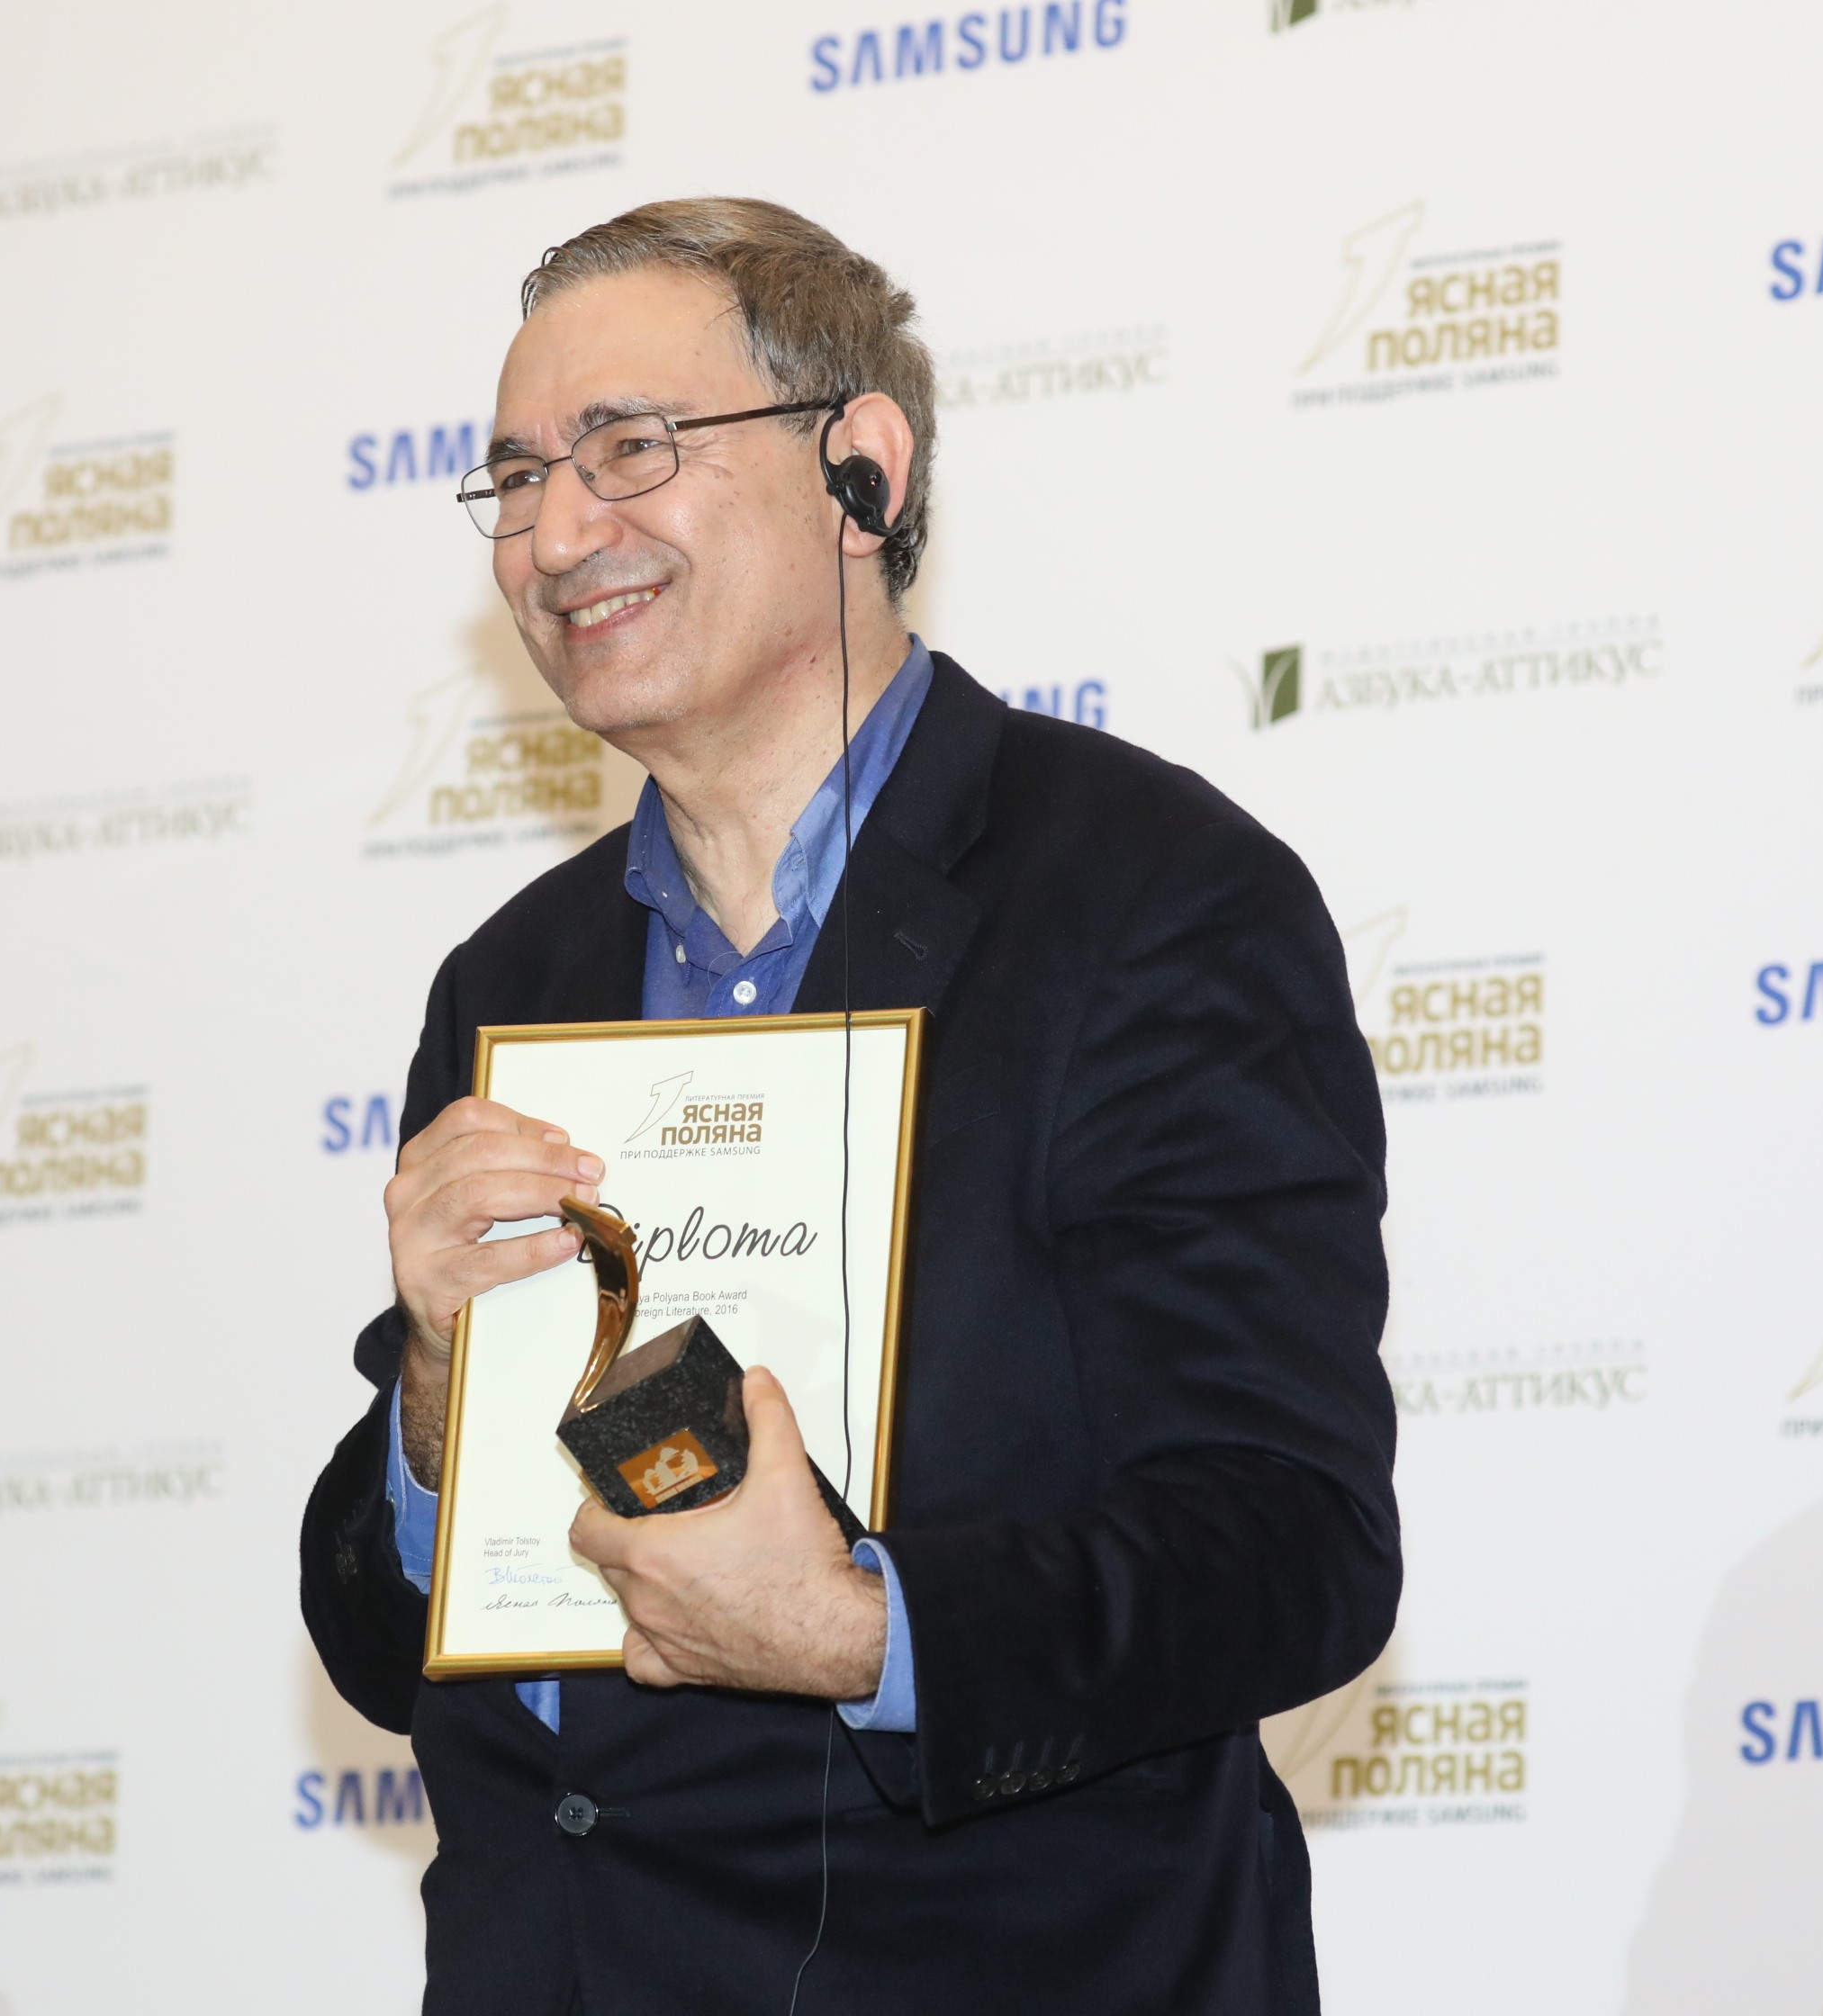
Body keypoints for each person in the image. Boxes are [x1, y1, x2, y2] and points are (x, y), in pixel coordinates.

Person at [302, 197, 1399, 2015]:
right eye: (511, 478)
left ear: (858, 471)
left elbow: (1286, 1547)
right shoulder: (511, 981)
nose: (554, 533)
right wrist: (426, 1409)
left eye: (627, 450)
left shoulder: (1146, 898)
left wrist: (859, 1631)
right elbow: (381, 1641)